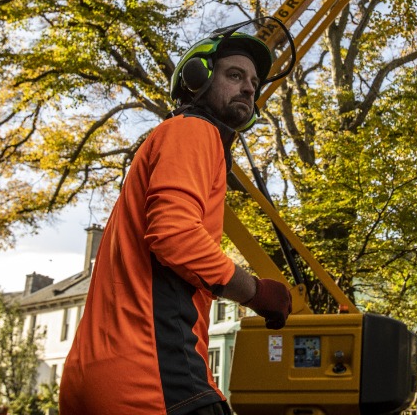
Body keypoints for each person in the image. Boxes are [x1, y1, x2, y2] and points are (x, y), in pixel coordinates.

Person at [60, 20, 295, 415]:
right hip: (150, 373)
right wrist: (256, 292)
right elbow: (174, 236)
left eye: (253, 81)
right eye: (235, 75)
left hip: (92, 376)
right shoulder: (194, 131)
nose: (249, 88)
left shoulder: (166, 140)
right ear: (195, 78)